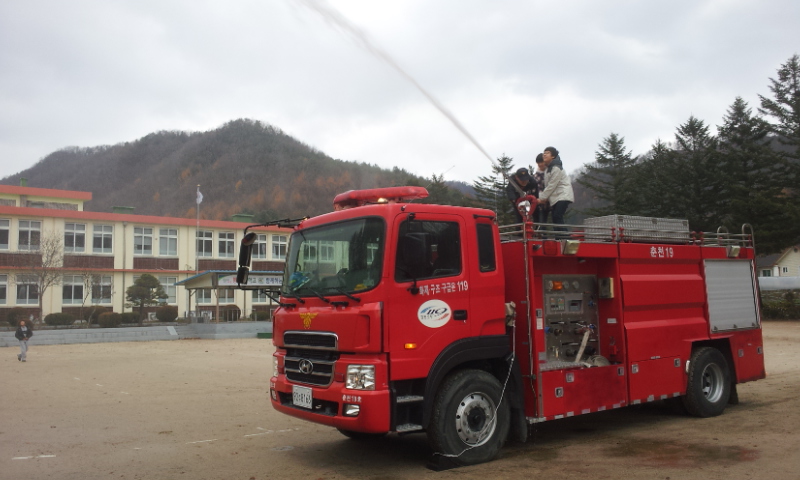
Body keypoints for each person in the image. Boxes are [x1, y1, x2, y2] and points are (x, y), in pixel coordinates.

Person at [538, 146, 574, 228]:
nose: (544, 155)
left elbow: (551, 185)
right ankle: (559, 235)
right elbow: (547, 185)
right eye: (544, 153)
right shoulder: (548, 169)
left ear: (553, 156)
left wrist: (542, 198)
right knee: (555, 219)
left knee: (557, 216)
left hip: (562, 195)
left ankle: (564, 235)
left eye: (547, 153)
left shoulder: (556, 168)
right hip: (556, 197)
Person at [533, 153, 550, 224]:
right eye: (538, 163)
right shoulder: (536, 176)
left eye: (541, 162)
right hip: (538, 202)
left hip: (549, 200)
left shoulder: (550, 173)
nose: (540, 164)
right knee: (540, 222)